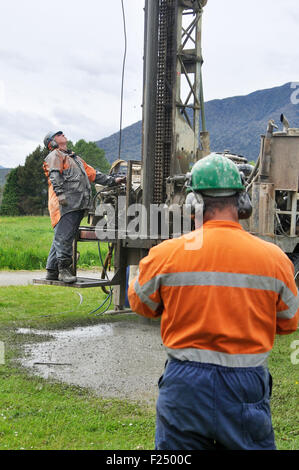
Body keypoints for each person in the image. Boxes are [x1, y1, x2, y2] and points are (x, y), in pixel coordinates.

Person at [128, 153, 299, 450]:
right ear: (242, 203)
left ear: (193, 203)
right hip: (245, 383)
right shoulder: (275, 260)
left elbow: (142, 305)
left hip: (184, 384)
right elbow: (288, 323)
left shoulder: (165, 254)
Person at [43, 131, 125, 283]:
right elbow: (54, 175)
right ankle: (64, 271)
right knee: (64, 238)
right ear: (52, 142)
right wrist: (61, 196)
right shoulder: (55, 155)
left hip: (77, 204)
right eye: (59, 134)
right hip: (64, 205)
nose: (63, 135)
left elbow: (93, 174)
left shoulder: (75, 159)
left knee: (62, 236)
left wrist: (114, 180)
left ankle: (51, 270)